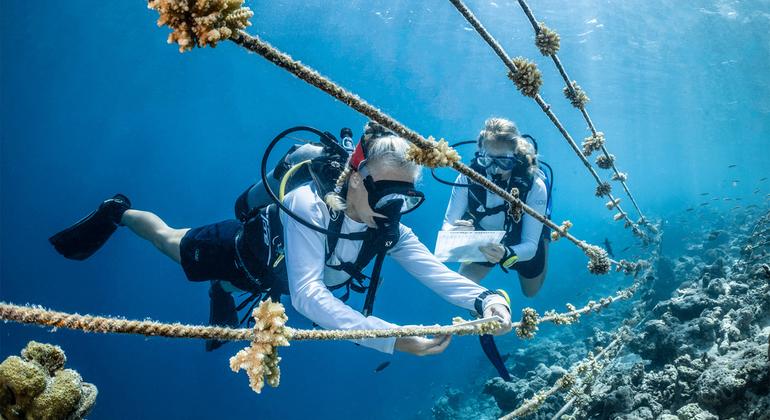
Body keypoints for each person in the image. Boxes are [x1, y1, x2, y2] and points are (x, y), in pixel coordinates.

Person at [50, 123, 513, 355]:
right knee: (167, 241)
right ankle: (119, 212)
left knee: (243, 288)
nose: (392, 209)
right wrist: (395, 340)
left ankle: (223, 292)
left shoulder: (389, 229)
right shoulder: (308, 204)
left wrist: (488, 299)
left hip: (276, 279)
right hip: (238, 252)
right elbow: (309, 295)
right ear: (355, 178)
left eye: (406, 197)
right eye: (384, 193)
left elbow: (435, 273)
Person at [442, 118, 550, 297]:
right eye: (487, 161)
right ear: (480, 154)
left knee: (530, 292)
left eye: (503, 163)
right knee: (460, 289)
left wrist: (507, 252)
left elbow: (530, 246)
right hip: (485, 240)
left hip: (520, 240)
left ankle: (543, 232)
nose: (495, 170)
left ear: (515, 158)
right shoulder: (466, 178)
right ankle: (490, 304)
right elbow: (447, 225)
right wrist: (455, 231)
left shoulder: (535, 185)